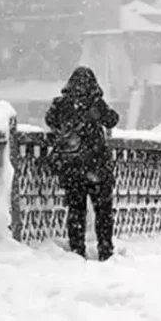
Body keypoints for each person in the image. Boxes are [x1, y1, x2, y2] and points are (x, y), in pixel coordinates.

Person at [44, 66, 120, 261]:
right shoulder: (96, 104)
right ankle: (105, 249)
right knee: (103, 211)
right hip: (97, 167)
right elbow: (112, 120)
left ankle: (77, 250)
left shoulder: (62, 104)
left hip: (73, 168)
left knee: (76, 211)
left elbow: (50, 120)